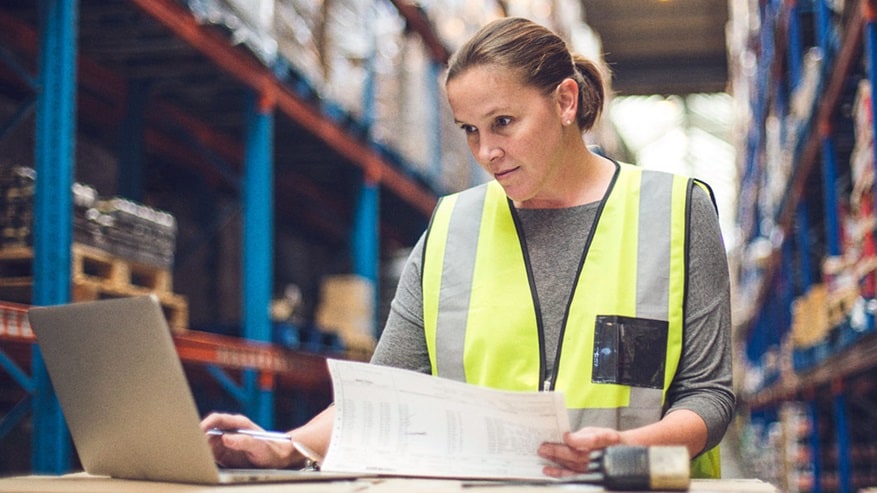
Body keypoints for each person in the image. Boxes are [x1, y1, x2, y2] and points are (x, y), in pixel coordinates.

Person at [201, 16, 735, 479]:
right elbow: (387, 391)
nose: (487, 152)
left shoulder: (676, 212)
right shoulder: (454, 225)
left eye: (503, 123)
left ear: (565, 101)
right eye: (469, 131)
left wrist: (626, 452)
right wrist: (288, 446)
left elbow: (709, 396)